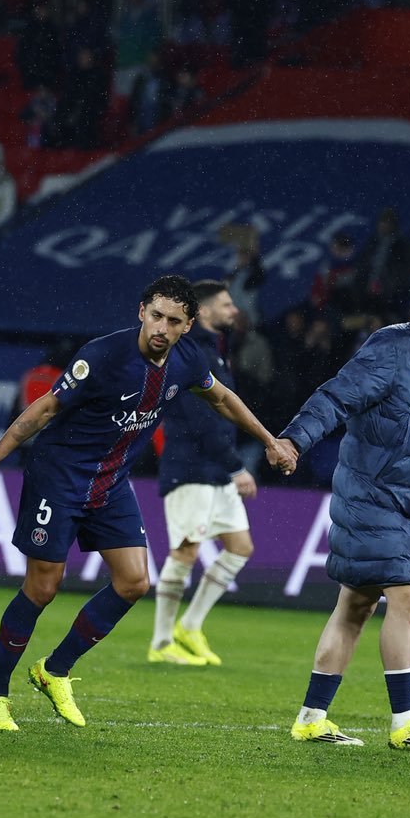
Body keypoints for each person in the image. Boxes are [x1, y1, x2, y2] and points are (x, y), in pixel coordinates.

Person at [0, 275, 296, 732]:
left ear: (187, 325)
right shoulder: (102, 355)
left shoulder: (188, 360)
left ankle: (54, 670)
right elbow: (45, 409)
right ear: (141, 312)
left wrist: (271, 441)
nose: (161, 327)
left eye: (173, 321)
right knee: (43, 587)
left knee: (135, 582)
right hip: (59, 477)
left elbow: (222, 398)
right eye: (156, 316)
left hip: (111, 484)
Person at [276, 269, 410, 749]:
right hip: (372, 493)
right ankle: (405, 722)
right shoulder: (392, 347)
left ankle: (311, 717)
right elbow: (336, 397)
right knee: (405, 597)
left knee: (354, 605)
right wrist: (295, 438)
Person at [149, 279, 256, 667]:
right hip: (190, 468)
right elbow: (201, 420)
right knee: (186, 550)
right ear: (205, 311)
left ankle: (190, 626)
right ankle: (161, 642)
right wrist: (235, 466)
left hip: (214, 468)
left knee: (240, 547)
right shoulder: (191, 354)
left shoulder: (214, 351)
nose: (234, 310)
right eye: (226, 305)